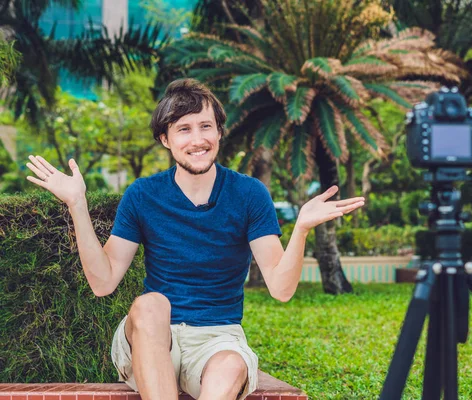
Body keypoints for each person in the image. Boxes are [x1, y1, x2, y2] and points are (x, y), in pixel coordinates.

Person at [24, 78, 365, 400]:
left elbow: (281, 288)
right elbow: (103, 282)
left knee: (231, 365)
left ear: (219, 131)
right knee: (150, 304)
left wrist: (302, 228)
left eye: (205, 126)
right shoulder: (143, 195)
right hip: (153, 338)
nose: (197, 139)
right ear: (165, 139)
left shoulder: (249, 194)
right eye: (183, 129)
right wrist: (77, 205)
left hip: (218, 338)